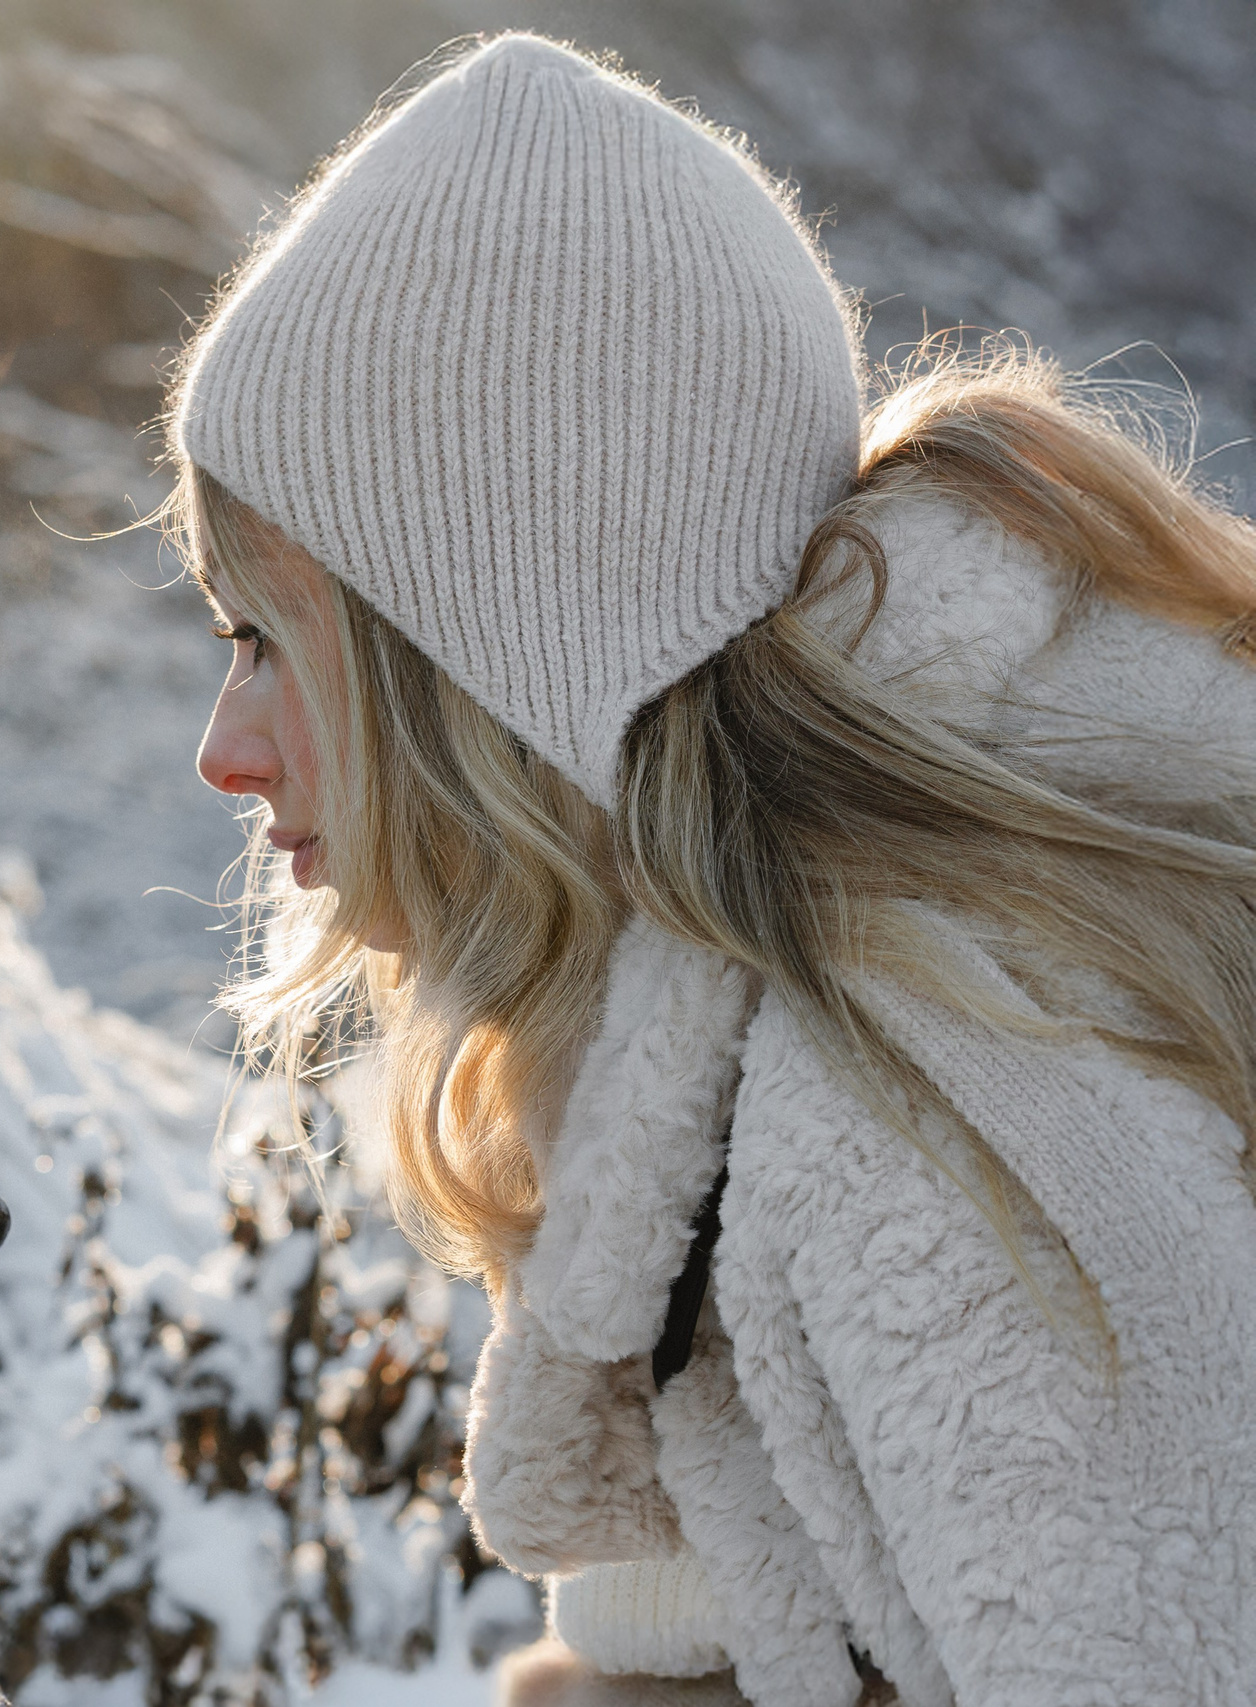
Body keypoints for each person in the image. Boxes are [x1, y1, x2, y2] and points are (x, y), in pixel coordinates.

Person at [168, 33, 1256, 1707]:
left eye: (266, 640)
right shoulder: (750, 1026)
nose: (221, 750)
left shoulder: (922, 1112)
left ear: (489, 662)